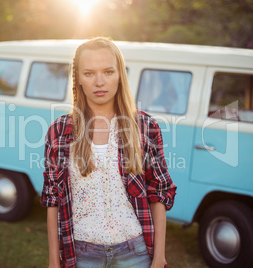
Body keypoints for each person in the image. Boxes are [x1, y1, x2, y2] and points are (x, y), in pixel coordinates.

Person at [41, 37, 177, 268]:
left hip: (136, 253)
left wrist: (158, 258)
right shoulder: (60, 130)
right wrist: (55, 262)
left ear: (119, 76)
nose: (99, 82)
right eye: (89, 73)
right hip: (83, 254)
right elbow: (53, 199)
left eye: (108, 71)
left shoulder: (144, 126)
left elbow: (159, 192)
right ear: (79, 80)